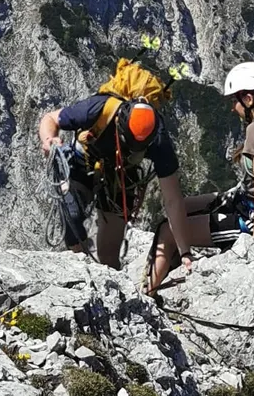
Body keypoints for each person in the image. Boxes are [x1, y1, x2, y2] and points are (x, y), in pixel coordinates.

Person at [145, 58, 254, 287]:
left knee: (167, 229)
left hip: (251, 222)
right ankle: (169, 269)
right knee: (179, 208)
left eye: (235, 100)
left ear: (249, 99)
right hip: (248, 205)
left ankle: (148, 293)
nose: (232, 107)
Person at [37, 82, 198, 285]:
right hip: (83, 163)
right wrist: (49, 139)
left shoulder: (158, 138)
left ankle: (110, 286)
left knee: (109, 253)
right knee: (73, 218)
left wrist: (185, 252)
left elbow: (173, 199)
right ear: (120, 124)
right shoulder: (98, 108)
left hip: (121, 176)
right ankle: (81, 269)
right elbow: (50, 118)